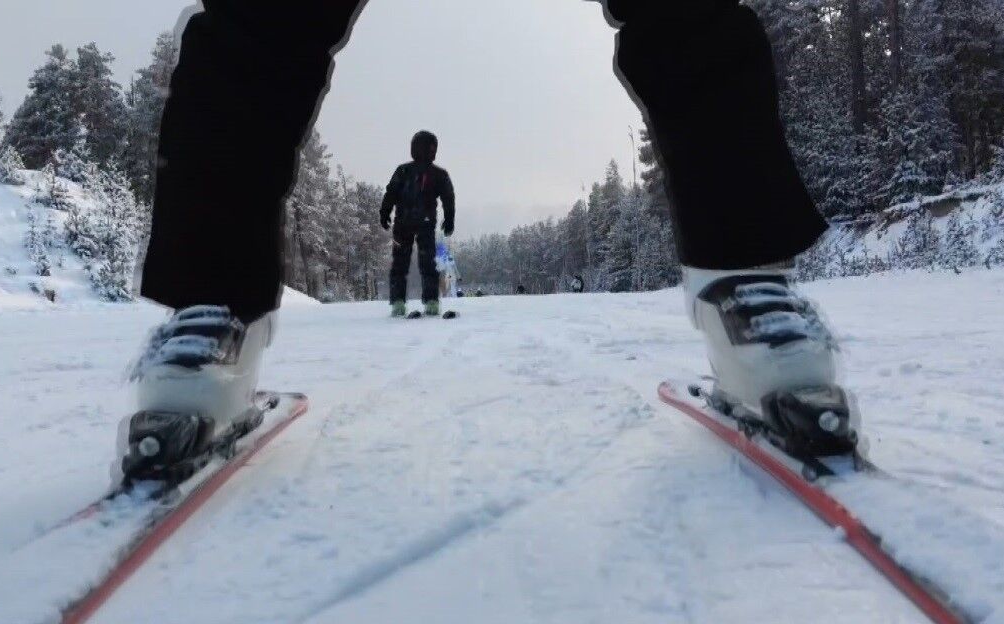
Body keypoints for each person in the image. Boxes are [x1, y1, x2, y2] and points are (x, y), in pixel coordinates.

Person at [118, 0, 852, 481]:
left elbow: (447, 195)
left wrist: (450, 221)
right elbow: (394, 195)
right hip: (406, 231)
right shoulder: (408, 170)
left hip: (426, 231)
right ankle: (214, 301)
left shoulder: (431, 175)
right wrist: (385, 216)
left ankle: (741, 276)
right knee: (261, 13)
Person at [379, 131, 455, 318]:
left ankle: (403, 302)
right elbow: (448, 198)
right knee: (422, 263)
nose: (433, 151)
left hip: (407, 224)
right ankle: (427, 301)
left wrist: (385, 212)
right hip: (420, 224)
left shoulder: (406, 171)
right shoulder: (434, 173)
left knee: (404, 263)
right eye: (432, 148)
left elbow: (391, 193)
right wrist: (449, 218)